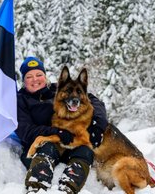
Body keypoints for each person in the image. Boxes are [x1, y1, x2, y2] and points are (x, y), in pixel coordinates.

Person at [15, 56, 108, 194]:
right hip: (40, 147)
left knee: (85, 150)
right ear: (23, 80)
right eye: (29, 76)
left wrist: (98, 124)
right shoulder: (20, 100)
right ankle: (36, 188)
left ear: (45, 76)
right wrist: (56, 132)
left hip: (68, 143)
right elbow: (25, 130)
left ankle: (68, 189)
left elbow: (93, 100)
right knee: (48, 147)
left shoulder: (58, 89)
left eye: (39, 74)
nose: (35, 79)